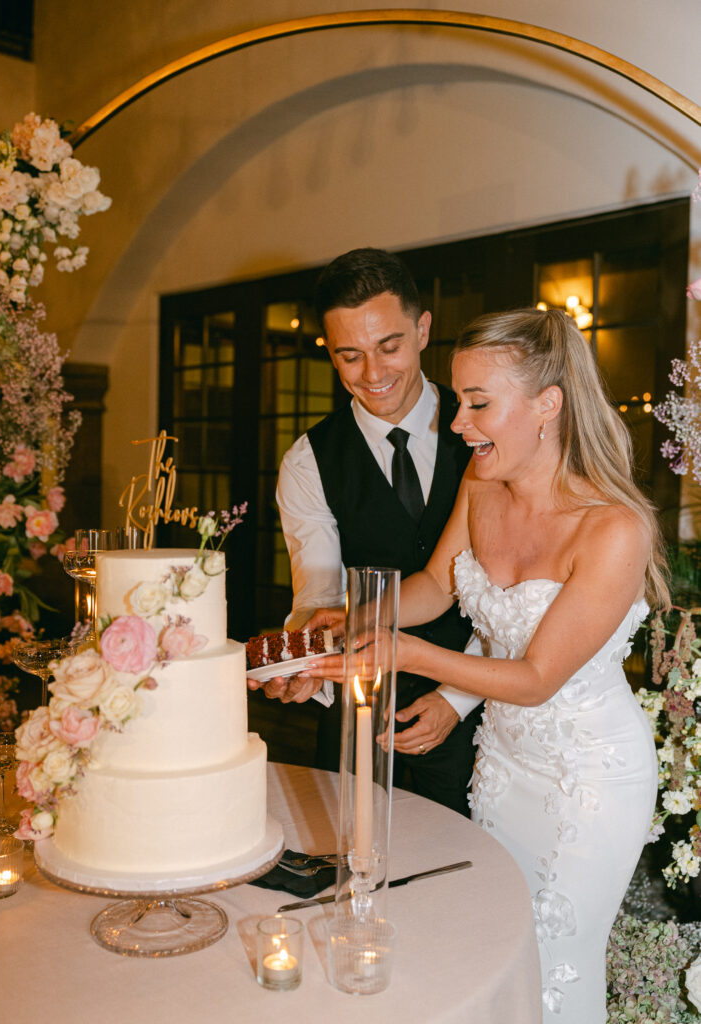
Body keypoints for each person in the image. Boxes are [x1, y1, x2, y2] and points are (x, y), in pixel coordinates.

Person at [313, 307, 665, 1023]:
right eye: (460, 401)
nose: (457, 424)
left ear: (547, 405)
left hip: (587, 780)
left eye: (478, 404)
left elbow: (535, 678)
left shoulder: (613, 529)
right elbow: (435, 588)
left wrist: (407, 653)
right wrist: (353, 619)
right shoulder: (480, 490)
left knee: (555, 962)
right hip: (502, 762)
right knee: (496, 943)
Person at [249, 247, 481, 813]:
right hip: (363, 721)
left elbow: (520, 589)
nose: (373, 375)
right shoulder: (308, 461)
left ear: (423, 330)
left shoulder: (483, 429)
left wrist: (457, 697)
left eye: (389, 346)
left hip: (485, 714)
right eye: (349, 356)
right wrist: (306, 665)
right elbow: (322, 597)